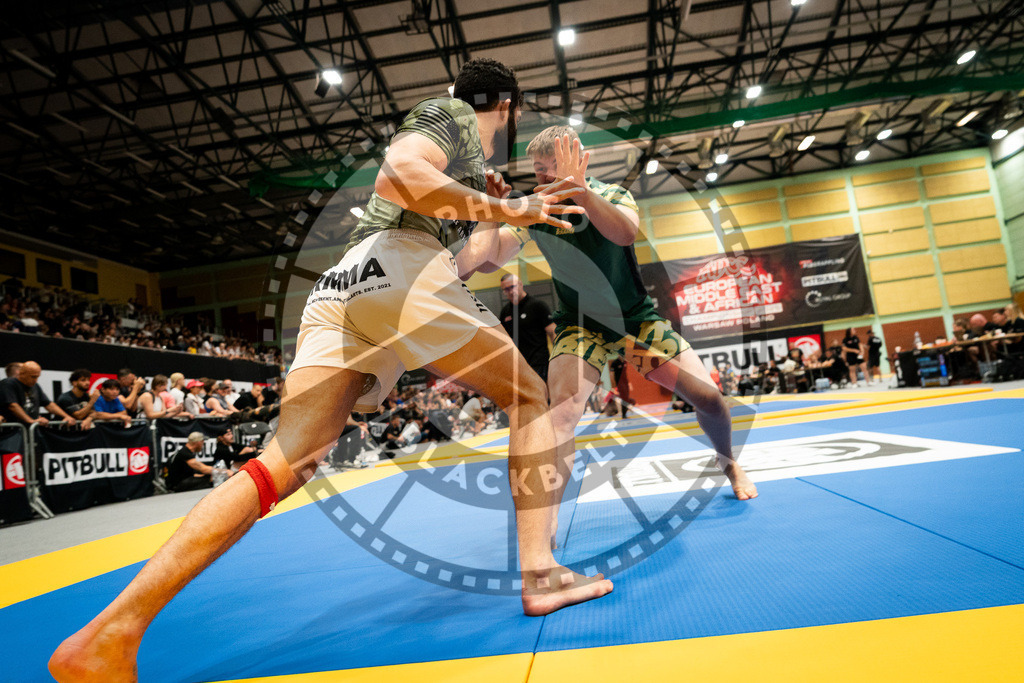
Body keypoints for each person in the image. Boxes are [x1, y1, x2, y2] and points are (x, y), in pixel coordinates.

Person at [51, 58, 610, 682]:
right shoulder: (452, 113)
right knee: (530, 399)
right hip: (398, 268)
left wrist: (508, 213)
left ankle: (112, 633)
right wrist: (502, 204)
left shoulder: (468, 173)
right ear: (504, 105)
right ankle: (541, 575)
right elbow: (397, 176)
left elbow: (476, 256)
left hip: (344, 288)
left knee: (284, 462)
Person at [457, 127, 757, 527]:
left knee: (710, 400)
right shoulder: (537, 208)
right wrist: (490, 213)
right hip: (579, 325)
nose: (544, 177)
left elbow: (625, 233)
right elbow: (483, 264)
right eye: (538, 169)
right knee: (563, 413)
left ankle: (728, 461)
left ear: (579, 161)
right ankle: (545, 518)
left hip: (633, 322)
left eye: (553, 166)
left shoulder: (612, 195)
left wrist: (582, 194)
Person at [498, 274, 555, 381]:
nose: (511, 292)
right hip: (518, 367)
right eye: (506, 289)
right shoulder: (505, 312)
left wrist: (557, 359)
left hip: (539, 364)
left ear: (520, 284)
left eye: (512, 287)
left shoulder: (537, 306)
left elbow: (552, 333)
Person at [0, 361, 77, 427]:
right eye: (33, 377)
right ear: (22, 373)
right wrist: (30, 421)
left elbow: (49, 404)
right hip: (13, 430)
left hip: (30, 429)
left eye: (37, 377)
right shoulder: (8, 383)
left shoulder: (35, 386)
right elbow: (13, 405)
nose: (36, 380)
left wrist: (67, 416)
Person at [162, 431, 229, 492]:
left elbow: (192, 474)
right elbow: (203, 469)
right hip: (177, 485)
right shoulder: (185, 453)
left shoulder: (185, 451)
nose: (203, 445)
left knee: (208, 476)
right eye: (203, 442)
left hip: (180, 481)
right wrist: (225, 471)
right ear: (199, 442)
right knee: (211, 478)